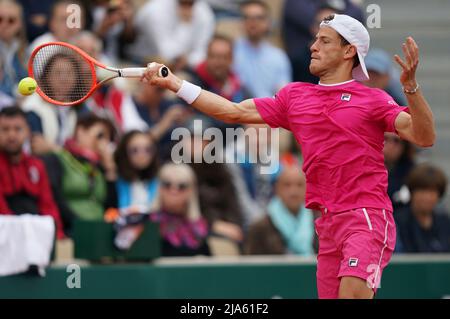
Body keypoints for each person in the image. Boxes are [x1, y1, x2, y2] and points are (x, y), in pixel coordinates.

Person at [143, 13, 436, 299]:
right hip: (327, 223)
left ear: (349, 51)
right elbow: (231, 111)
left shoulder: (373, 99)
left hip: (365, 216)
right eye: (314, 40)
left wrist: (410, 88)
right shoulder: (294, 97)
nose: (313, 47)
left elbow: (424, 137)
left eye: (324, 41)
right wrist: (175, 84)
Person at [41, 114, 117, 235]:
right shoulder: (59, 159)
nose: (104, 143)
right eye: (100, 136)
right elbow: (55, 198)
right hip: (72, 231)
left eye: (109, 139)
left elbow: (111, 206)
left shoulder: (99, 167)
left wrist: (110, 169)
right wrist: (79, 225)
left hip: (99, 232)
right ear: (80, 132)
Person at [0, 106, 65, 238]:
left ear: (28, 132)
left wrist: (58, 235)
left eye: (17, 129)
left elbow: (48, 205)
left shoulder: (37, 166)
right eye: (5, 129)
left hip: (36, 236)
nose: (11, 135)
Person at [245, 155, 314, 256]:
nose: (293, 191)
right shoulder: (259, 228)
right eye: (287, 185)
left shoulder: (320, 223)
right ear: (277, 189)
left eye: (299, 185)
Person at [282, 0, 364, 83]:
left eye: (331, 26)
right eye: (319, 24)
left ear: (349, 51)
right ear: (312, 27)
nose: (313, 47)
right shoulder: (296, 62)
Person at [126, 0, 215, 69]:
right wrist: (185, 25)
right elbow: (167, 54)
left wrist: (189, 60)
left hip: (181, 65)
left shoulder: (203, 11)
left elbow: (203, 53)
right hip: (139, 62)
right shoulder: (156, 10)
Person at [149, 163, 210, 257]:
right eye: (167, 184)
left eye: (182, 186)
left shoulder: (199, 227)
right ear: (159, 188)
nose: (173, 190)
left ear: (191, 190)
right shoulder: (148, 224)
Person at [234, 0, 292, 98]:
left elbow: (283, 94)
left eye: (258, 18)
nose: (253, 22)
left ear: (268, 23)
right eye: (247, 17)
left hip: (268, 110)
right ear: (241, 22)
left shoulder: (279, 57)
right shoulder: (230, 51)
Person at [193, 34, 246, 133]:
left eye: (224, 57)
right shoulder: (193, 84)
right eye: (214, 56)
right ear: (207, 57)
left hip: (235, 141)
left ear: (231, 59)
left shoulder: (238, 86)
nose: (219, 62)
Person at [395, 164, 450, 253]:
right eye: (422, 191)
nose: (427, 197)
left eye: (432, 191)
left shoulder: (444, 221)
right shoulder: (397, 222)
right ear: (412, 192)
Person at [114, 130, 159, 214]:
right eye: (134, 150)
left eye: (148, 150)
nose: (141, 155)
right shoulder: (114, 178)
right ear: (124, 152)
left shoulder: (160, 179)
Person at [0, 0, 28, 98]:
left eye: (11, 20)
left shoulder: (24, 51)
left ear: (20, 24)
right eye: (0, 19)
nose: (4, 24)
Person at [384, 132, 416, 210]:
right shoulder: (362, 169)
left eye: (396, 141)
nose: (390, 146)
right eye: (385, 139)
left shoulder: (413, 173)